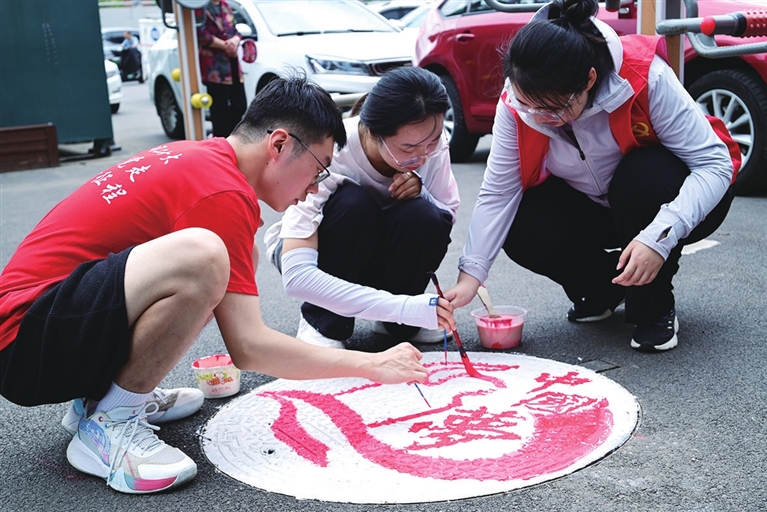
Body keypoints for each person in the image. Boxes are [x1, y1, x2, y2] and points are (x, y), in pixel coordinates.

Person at [0, 76, 428, 495]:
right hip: (25, 341)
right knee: (204, 257)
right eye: (317, 170)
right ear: (279, 144)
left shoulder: (204, 159)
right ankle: (110, 423)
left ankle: (104, 397)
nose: (314, 188)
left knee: (230, 261)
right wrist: (370, 364)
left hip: (46, 328)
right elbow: (250, 347)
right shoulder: (221, 191)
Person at [444, 0, 738, 353]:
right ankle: (602, 290)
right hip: (595, 206)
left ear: (590, 79)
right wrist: (471, 274)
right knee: (521, 221)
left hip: (667, 198)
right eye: (528, 106)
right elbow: (498, 192)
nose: (538, 117)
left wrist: (658, 237)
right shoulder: (518, 102)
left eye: (553, 108)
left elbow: (714, 165)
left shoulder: (645, 75)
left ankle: (653, 306)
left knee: (642, 174)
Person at [264, 67, 460, 350]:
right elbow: (297, 275)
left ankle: (397, 324)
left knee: (425, 215)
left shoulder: (428, 144)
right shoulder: (330, 149)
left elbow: (446, 217)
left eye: (433, 142)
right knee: (354, 204)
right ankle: (322, 323)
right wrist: (404, 307)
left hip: (380, 255)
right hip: (317, 251)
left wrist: (422, 192)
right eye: (408, 148)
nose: (422, 157)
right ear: (372, 131)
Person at [197, 0, 247, 137]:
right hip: (215, 66)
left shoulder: (225, 5)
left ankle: (234, 138)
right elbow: (202, 35)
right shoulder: (201, 7)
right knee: (220, 110)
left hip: (233, 62)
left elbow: (236, 31)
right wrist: (226, 46)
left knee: (240, 105)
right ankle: (222, 140)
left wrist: (234, 41)